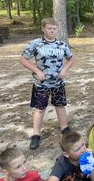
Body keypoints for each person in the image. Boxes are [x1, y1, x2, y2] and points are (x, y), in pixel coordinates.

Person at [19, 18, 74, 150]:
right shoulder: (36, 44)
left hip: (58, 83)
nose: (52, 31)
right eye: (49, 28)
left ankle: (64, 128)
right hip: (41, 84)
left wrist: (65, 70)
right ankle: (36, 135)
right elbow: (23, 59)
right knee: (40, 109)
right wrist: (37, 71)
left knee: (60, 105)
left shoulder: (61, 44)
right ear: (43, 28)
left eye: (54, 28)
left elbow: (71, 58)